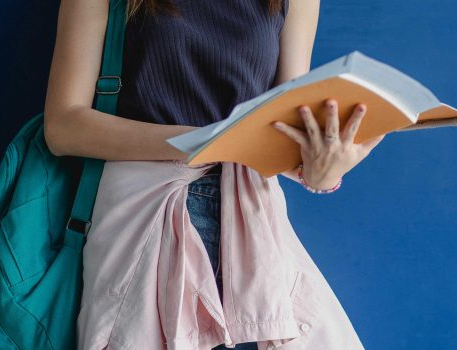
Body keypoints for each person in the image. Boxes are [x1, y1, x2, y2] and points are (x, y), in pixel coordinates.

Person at [43, 0, 385, 348]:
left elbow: (288, 131)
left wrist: (323, 173)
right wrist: (204, 141)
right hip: (145, 216)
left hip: (253, 221)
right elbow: (63, 126)